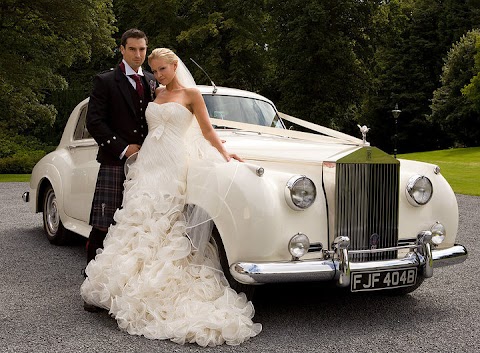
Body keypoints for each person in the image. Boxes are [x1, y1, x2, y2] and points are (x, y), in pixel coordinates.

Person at [80, 48, 262, 346]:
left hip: (175, 162)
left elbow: (206, 130)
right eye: (156, 70)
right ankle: (123, 284)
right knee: (138, 216)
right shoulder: (156, 93)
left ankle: (162, 286)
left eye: (164, 69)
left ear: (175, 65)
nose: (160, 75)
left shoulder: (192, 95)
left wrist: (225, 153)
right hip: (149, 162)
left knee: (166, 219)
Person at [84, 28, 156, 313]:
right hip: (116, 161)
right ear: (122, 49)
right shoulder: (105, 81)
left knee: (138, 224)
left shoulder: (152, 81)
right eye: (133, 49)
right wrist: (125, 148)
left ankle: (128, 284)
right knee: (104, 223)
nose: (138, 55)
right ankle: (92, 286)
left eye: (142, 50)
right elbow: (95, 122)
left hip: (148, 165)